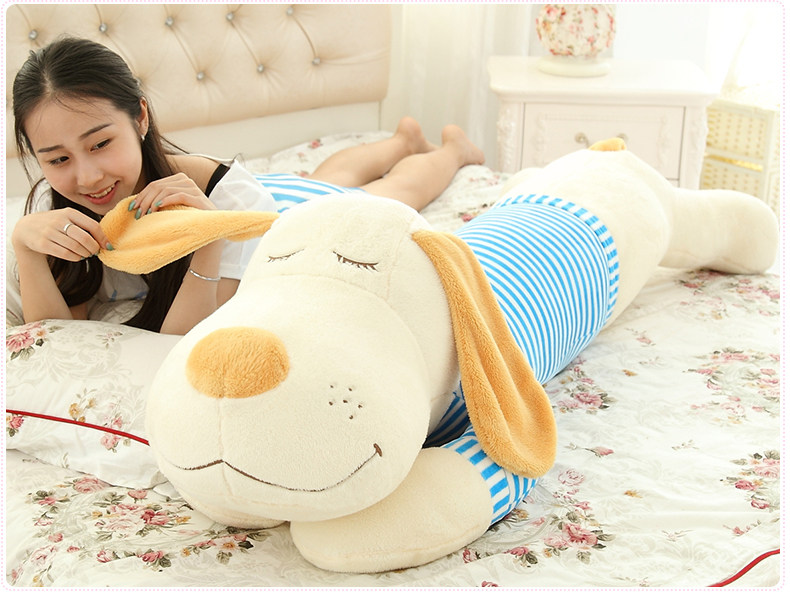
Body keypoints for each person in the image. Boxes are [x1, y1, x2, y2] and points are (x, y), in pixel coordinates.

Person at [11, 37, 484, 335]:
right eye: (57, 159)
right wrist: (26, 249)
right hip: (261, 192)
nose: (87, 177)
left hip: (264, 216)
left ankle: (453, 151)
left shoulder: (230, 200)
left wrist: (207, 236)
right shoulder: (63, 210)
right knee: (325, 178)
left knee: (380, 197)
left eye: (100, 144)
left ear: (140, 118)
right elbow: (56, 334)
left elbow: (187, 338)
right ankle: (403, 140)